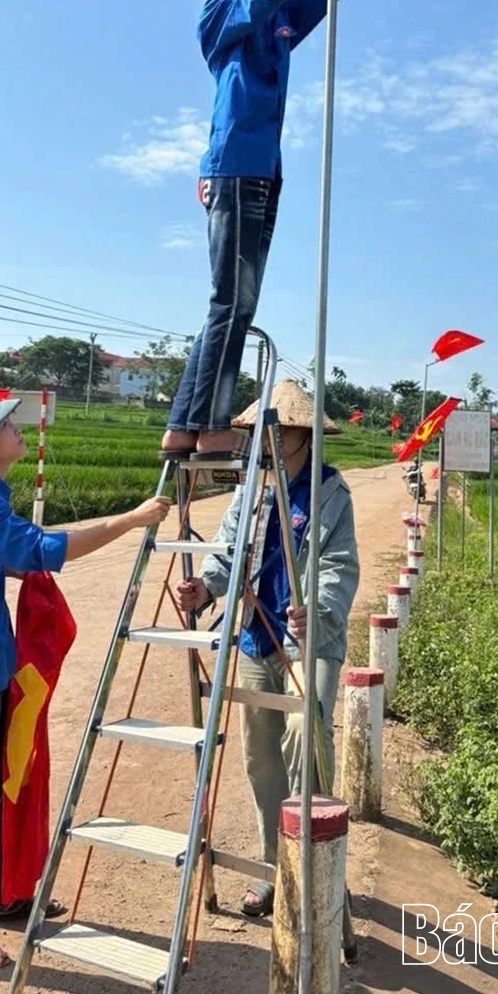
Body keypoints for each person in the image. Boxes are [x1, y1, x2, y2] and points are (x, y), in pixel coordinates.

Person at [0, 394, 172, 975]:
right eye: (4, 425)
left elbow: (18, 555)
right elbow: (45, 551)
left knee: (2, 781)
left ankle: (3, 896)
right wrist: (131, 520)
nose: (16, 429)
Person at [161, 0, 402, 463]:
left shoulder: (276, 23)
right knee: (231, 303)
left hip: (263, 170)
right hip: (236, 164)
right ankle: (209, 425)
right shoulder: (220, 14)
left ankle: (183, 426)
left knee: (233, 304)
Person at [176, 380, 359, 916]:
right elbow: (228, 550)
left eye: (277, 433)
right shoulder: (250, 489)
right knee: (260, 757)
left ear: (303, 436)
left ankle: (318, 867)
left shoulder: (330, 493)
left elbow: (339, 565)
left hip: (308, 642)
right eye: (261, 433)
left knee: (307, 739)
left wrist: (316, 611)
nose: (269, 442)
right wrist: (205, 587)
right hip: (256, 638)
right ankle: (274, 867)